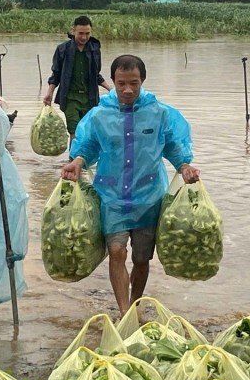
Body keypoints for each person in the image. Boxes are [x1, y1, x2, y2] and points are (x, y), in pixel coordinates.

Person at [60, 54, 200, 314]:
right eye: (121, 83)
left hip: (149, 197)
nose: (127, 90)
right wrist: (78, 162)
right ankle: (125, 312)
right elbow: (88, 145)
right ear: (112, 81)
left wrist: (184, 166)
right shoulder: (99, 115)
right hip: (112, 196)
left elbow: (172, 145)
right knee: (116, 251)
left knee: (141, 258)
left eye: (133, 83)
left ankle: (135, 303)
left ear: (142, 81)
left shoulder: (159, 113)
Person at [43, 15, 112, 140]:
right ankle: (73, 153)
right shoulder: (63, 49)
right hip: (70, 97)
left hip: (89, 97)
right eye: (80, 33)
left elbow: (96, 75)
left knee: (88, 132)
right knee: (74, 132)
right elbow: (56, 74)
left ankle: (84, 153)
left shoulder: (94, 49)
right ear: (73, 30)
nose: (84, 37)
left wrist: (111, 90)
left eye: (87, 33)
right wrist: (49, 93)